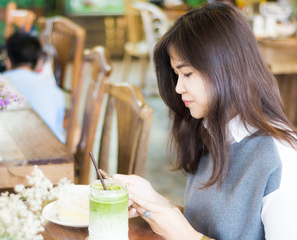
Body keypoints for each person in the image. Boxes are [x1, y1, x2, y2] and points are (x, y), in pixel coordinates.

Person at [114, 3, 297, 240]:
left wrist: (186, 236)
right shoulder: (212, 129)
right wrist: (155, 202)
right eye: (176, 75)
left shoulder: (282, 158)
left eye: (187, 74)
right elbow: (205, 225)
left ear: (226, 67)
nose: (179, 88)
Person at [2, 31, 66, 143]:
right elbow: (58, 127)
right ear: (39, 62)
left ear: (8, 60)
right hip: (51, 151)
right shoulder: (53, 89)